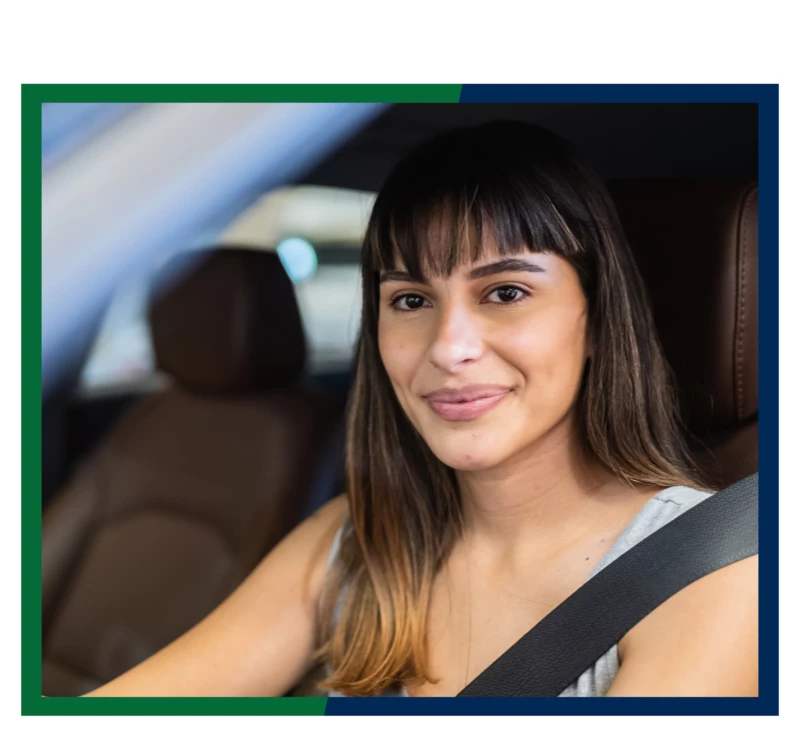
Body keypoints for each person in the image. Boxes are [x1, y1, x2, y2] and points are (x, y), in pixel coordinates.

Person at [85, 121, 758, 698]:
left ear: (598, 321)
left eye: (505, 291)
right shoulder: (358, 541)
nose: (449, 346)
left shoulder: (711, 574)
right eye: (410, 299)